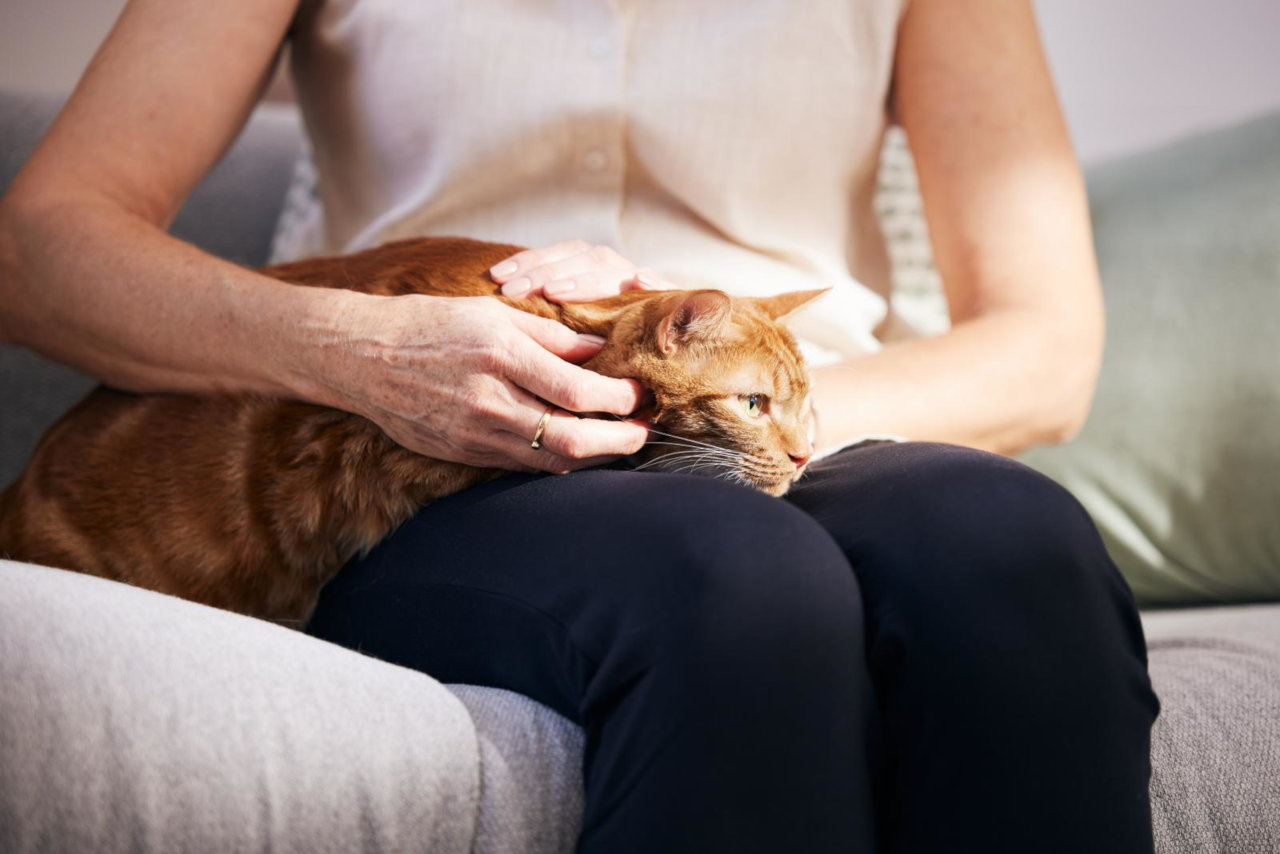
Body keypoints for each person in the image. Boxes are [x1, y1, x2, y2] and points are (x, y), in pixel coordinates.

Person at [0, 1, 1159, 852]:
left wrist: (713, 414)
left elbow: (1045, 345)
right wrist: (362, 350)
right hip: (428, 457)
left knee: (1014, 547)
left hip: (806, 415)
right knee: (739, 573)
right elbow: (37, 250)